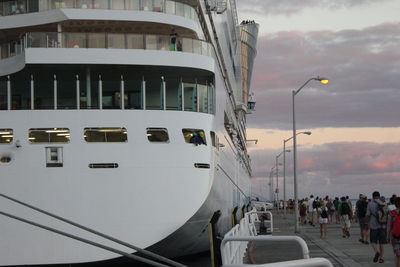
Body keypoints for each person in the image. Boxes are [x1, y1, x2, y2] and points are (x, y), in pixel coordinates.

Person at [366, 191, 388, 263]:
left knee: (373, 241)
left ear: (372, 196)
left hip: (373, 225)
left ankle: (376, 251)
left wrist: (367, 223)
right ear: (379, 196)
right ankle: (381, 258)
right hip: (383, 225)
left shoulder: (370, 204)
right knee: (382, 243)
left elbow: (368, 215)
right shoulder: (384, 203)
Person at [387, 197, 400, 267]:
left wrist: (388, 236)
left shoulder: (392, 213)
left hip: (395, 236)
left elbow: (389, 226)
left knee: (397, 255)